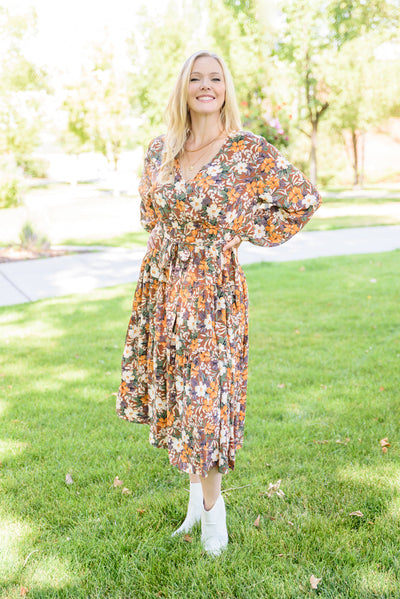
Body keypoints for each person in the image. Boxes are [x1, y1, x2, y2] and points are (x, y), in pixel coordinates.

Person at [116, 50, 322, 556]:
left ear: (226, 88)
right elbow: (149, 214)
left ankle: (214, 516)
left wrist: (245, 228)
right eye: (196, 78)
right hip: (164, 286)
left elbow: (302, 200)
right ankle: (194, 506)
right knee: (182, 398)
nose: (205, 85)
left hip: (213, 291)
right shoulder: (159, 150)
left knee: (204, 400)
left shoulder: (246, 150)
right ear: (183, 88)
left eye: (215, 78)